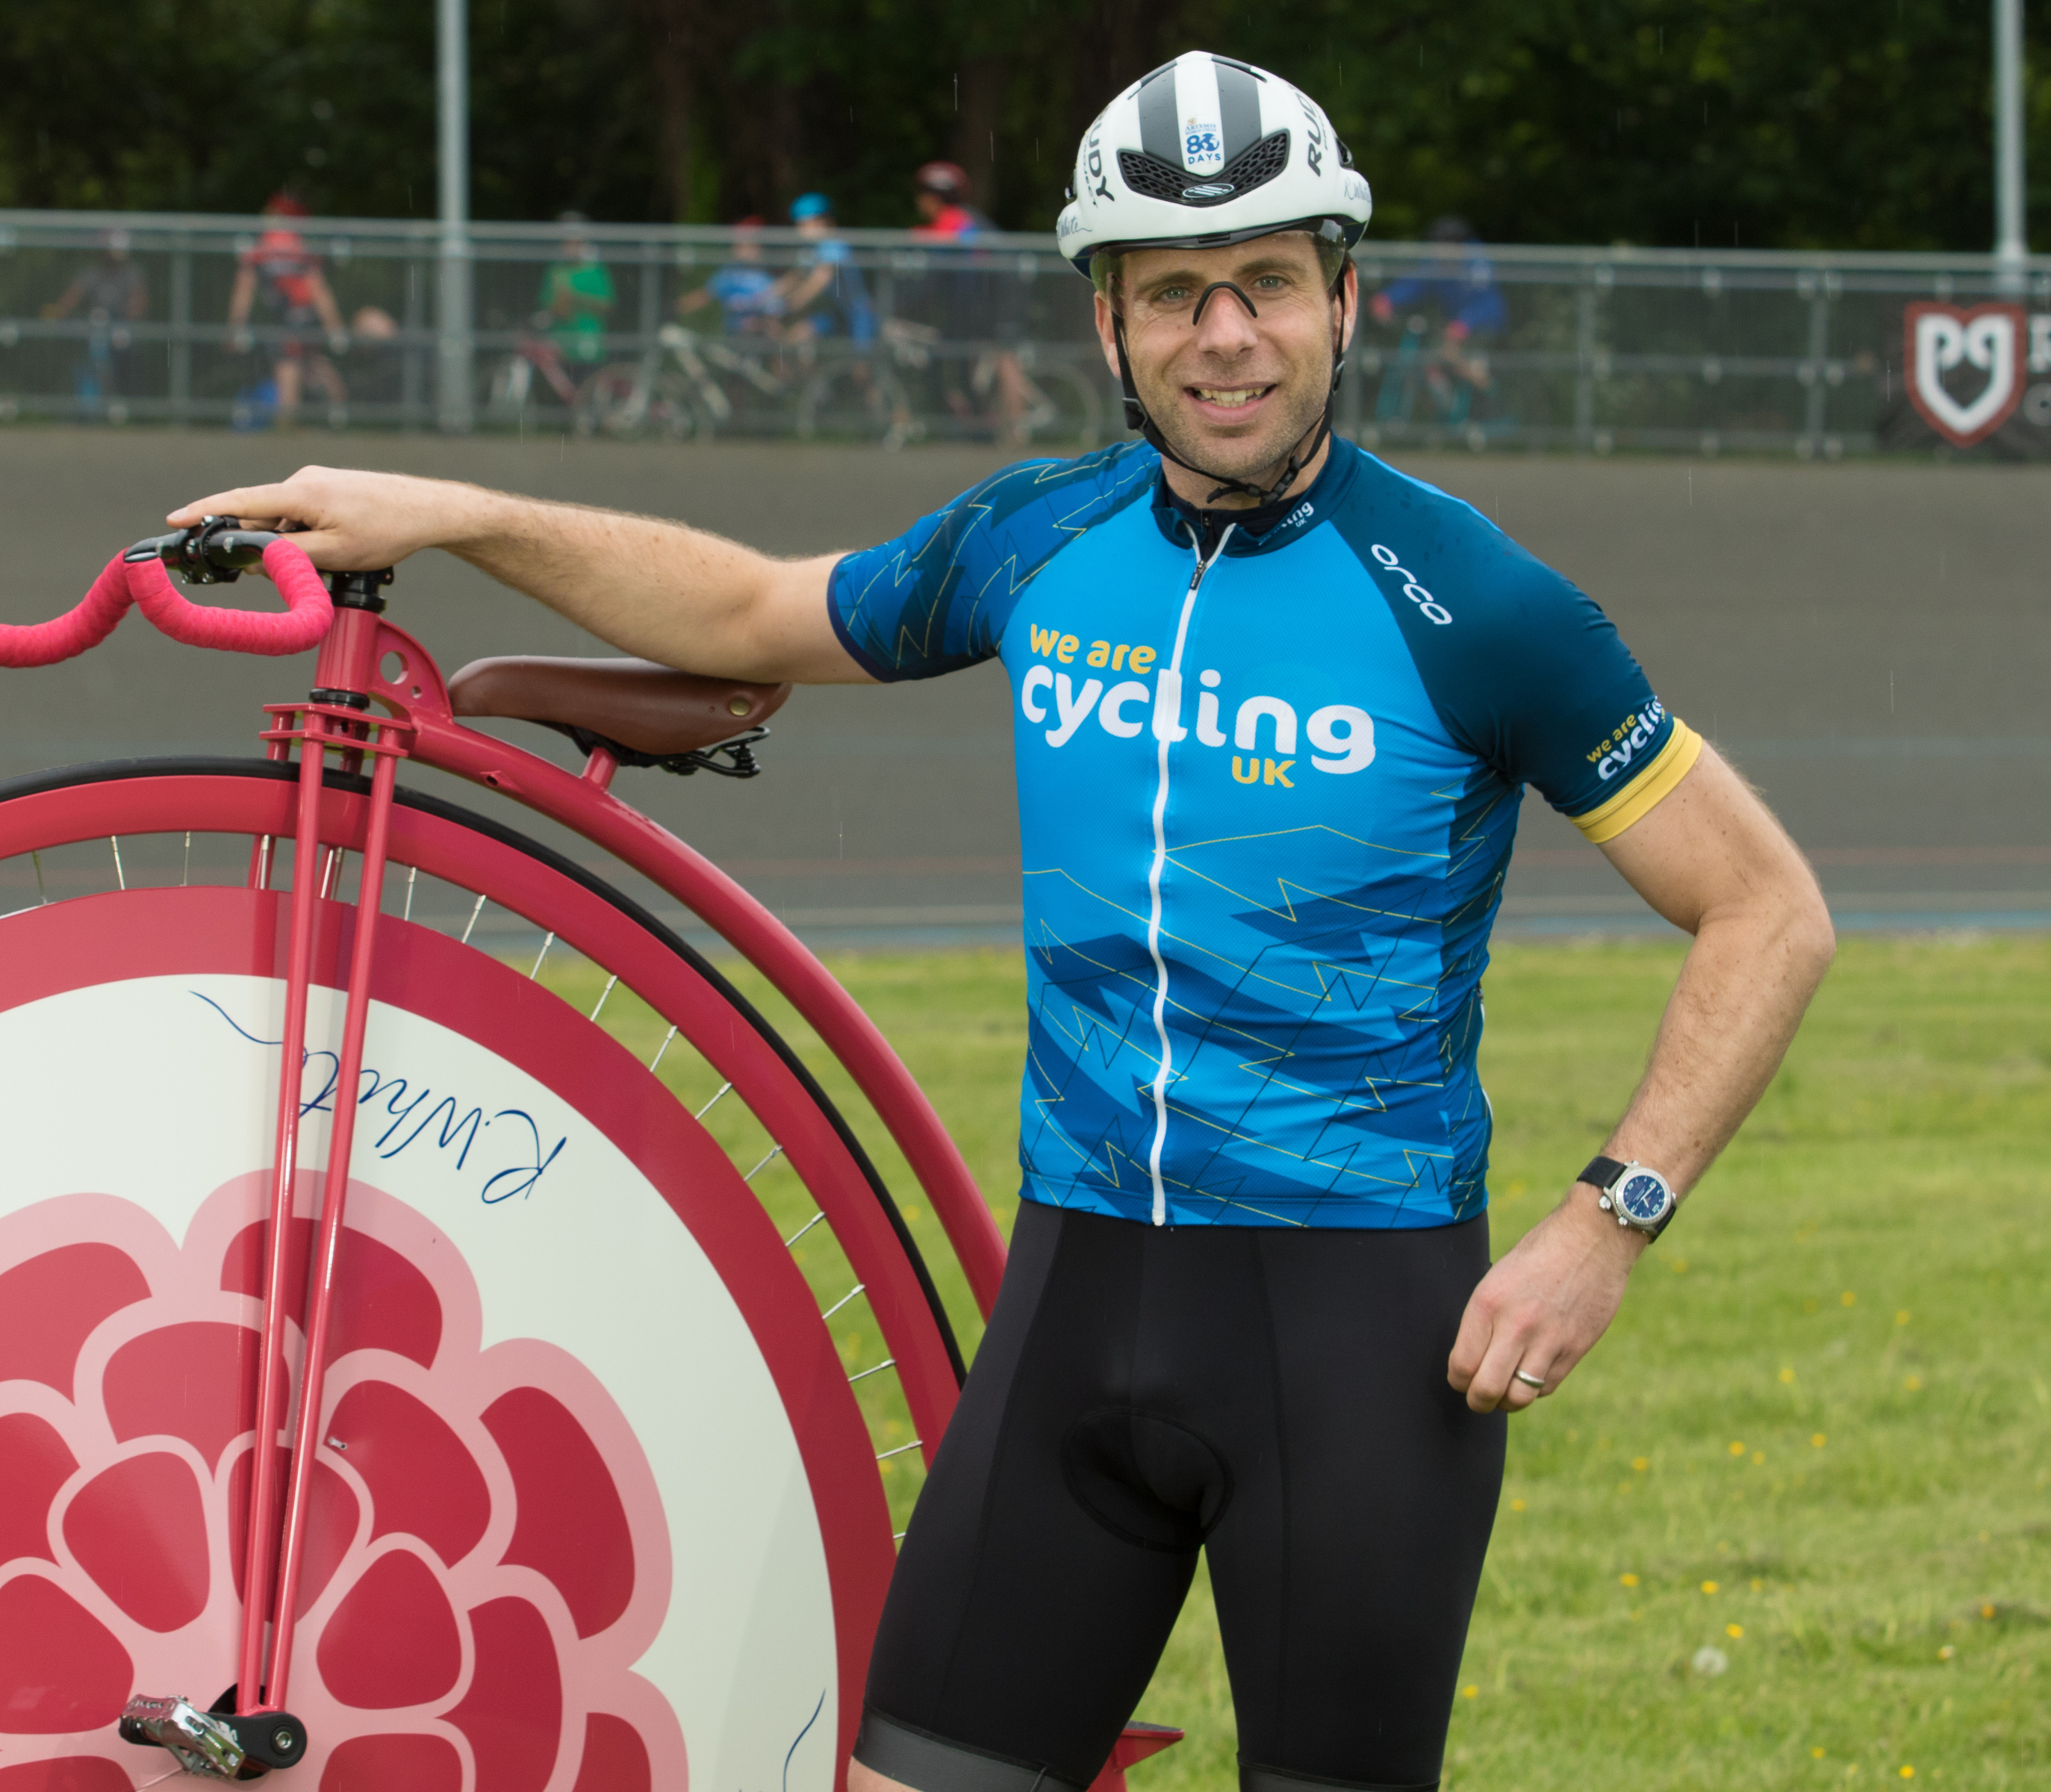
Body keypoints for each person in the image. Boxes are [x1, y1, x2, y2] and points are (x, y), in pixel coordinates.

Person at [160, 49, 1834, 1792]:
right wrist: (464, 514)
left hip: (1357, 1337)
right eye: (1173, 293)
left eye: (1266, 283)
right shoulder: (1039, 539)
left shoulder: (1474, 601)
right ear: (1108, 326)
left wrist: (1604, 1219)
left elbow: (1762, 905)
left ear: (1345, 301)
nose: (1225, 335)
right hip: (1075, 1304)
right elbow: (748, 605)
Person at [910, 161, 1030, 438]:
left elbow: (952, 240)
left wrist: (915, 237)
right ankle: (986, 422)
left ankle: (1017, 429)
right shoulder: (957, 217)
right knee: (975, 356)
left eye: (922, 195)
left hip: (1004, 294)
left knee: (1005, 355)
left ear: (934, 196)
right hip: (987, 297)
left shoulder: (958, 218)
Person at [227, 192, 352, 429]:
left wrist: (235, 326)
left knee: (288, 365)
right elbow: (320, 291)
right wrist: (334, 327)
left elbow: (244, 290)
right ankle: (343, 412)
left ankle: (287, 424)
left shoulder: (261, 246)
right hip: (305, 317)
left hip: (291, 317)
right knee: (311, 364)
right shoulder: (299, 244)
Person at [1369, 214, 1509, 419]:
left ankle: (1495, 406)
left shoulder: (1478, 263)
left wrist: (1465, 324)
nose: (1437, 250)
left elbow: (1489, 303)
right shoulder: (1437, 261)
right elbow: (1417, 281)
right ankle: (1452, 417)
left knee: (1464, 366)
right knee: (1432, 366)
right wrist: (1388, 298)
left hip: (1483, 330)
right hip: (1453, 332)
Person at [41, 228, 150, 420]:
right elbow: (73, 295)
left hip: (120, 328)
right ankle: (89, 410)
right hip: (98, 329)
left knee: (122, 366)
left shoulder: (131, 274)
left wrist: (129, 318)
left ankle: (119, 407)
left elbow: (138, 302)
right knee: (92, 360)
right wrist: (58, 311)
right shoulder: (94, 273)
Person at [776, 193, 879, 348]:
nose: (801, 231)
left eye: (806, 225)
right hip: (835, 313)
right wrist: (762, 297)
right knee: (794, 338)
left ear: (824, 222)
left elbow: (820, 279)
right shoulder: (812, 249)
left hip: (858, 316)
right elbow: (793, 277)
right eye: (800, 225)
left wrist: (791, 303)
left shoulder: (834, 245)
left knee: (860, 368)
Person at [676, 215, 788, 338]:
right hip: (736, 338)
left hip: (762, 340)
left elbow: (776, 319)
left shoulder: (770, 276)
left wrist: (760, 325)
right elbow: (705, 295)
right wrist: (675, 309)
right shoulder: (731, 272)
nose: (738, 248)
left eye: (748, 244)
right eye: (738, 243)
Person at [538, 211, 617, 371]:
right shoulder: (556, 270)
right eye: (566, 241)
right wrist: (563, 301)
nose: (570, 246)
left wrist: (576, 298)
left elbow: (607, 305)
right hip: (561, 348)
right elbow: (553, 308)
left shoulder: (595, 270)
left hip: (590, 347)